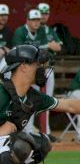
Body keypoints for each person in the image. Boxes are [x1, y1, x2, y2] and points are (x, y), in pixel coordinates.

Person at [11, 9, 62, 139]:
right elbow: (19, 55)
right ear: (27, 20)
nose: (36, 23)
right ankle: (26, 131)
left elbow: (44, 51)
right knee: (26, 102)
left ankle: (45, 131)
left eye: (38, 20)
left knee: (45, 97)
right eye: (33, 20)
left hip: (35, 69)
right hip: (20, 70)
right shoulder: (20, 31)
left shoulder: (42, 31)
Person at [38, 3, 63, 141]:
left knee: (47, 99)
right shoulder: (32, 29)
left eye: (46, 13)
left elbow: (58, 47)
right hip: (31, 69)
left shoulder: (49, 30)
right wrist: (48, 45)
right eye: (41, 13)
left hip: (47, 68)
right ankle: (29, 131)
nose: (43, 16)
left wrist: (51, 46)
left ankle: (45, 131)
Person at [0, 4, 13, 71]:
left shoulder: (9, 31)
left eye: (5, 15)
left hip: (3, 60)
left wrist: (3, 49)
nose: (4, 17)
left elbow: (10, 50)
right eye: (1, 15)